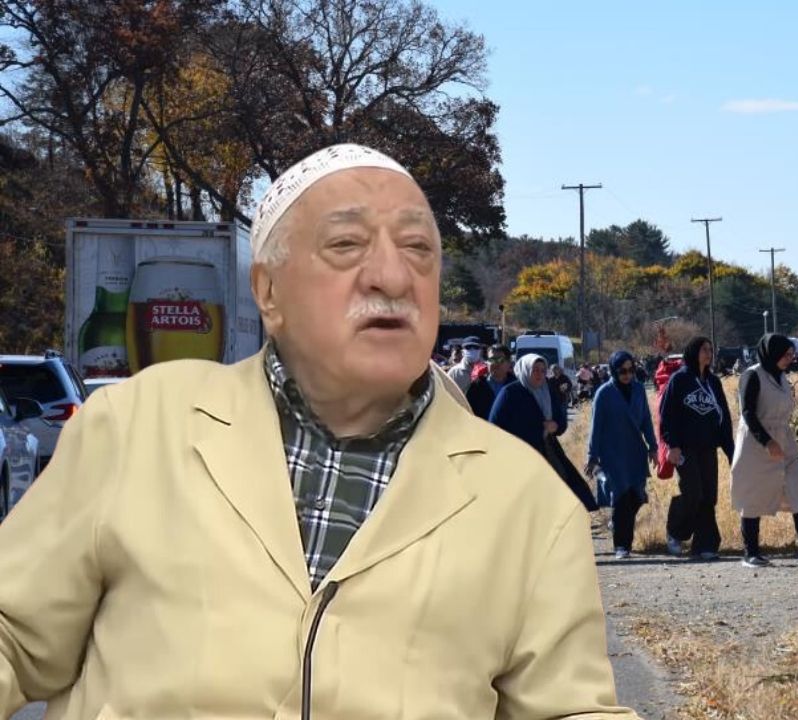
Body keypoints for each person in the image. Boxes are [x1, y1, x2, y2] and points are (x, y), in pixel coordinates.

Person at [0, 144, 636, 719]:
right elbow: (15, 633)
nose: (392, 276)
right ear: (268, 292)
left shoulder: (525, 500)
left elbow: (569, 707)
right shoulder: (137, 429)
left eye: (418, 250)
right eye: (346, 246)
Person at [732, 334, 798, 567]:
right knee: (752, 496)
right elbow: (747, 413)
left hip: (784, 441)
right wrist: (767, 442)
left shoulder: (781, 377)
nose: (790, 358)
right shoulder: (752, 376)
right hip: (755, 445)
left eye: (791, 354)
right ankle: (751, 553)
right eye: (786, 355)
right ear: (773, 353)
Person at [659, 336, 734, 560]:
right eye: (703, 349)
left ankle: (705, 545)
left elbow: (724, 418)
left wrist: (731, 451)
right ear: (693, 352)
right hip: (685, 449)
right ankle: (675, 531)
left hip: (708, 447)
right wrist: (672, 445)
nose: (708, 353)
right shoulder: (679, 379)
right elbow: (667, 415)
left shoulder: (713, 382)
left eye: (710, 349)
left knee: (709, 496)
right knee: (693, 492)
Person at [492, 355, 598, 512]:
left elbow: (560, 421)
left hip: (548, 450)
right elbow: (495, 427)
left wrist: (555, 426)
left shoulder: (546, 391)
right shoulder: (510, 393)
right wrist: (536, 430)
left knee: (561, 491)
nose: (539, 374)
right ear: (525, 370)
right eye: (534, 370)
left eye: (543, 371)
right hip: (520, 456)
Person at [586, 351, 659, 559]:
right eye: (622, 371)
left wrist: (653, 447)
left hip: (635, 452)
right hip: (613, 454)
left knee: (637, 496)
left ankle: (617, 524)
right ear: (613, 371)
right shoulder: (604, 393)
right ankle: (621, 546)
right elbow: (595, 427)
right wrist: (592, 456)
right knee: (621, 498)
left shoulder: (638, 389)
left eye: (630, 370)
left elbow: (645, 419)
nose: (627, 375)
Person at [465, 343, 514, 420]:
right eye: (492, 359)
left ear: (508, 363)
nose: (496, 363)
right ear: (487, 363)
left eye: (500, 360)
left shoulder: (516, 387)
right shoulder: (476, 387)